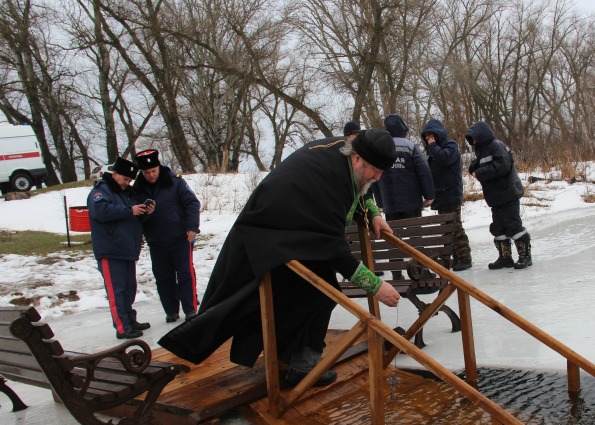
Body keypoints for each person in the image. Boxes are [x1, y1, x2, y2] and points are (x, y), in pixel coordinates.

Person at [159, 129, 402, 387]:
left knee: (312, 294)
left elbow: (360, 188)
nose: (378, 176)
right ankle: (300, 364)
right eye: (375, 169)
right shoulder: (328, 179)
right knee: (296, 294)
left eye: (381, 171)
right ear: (356, 159)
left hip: (295, 232)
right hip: (268, 235)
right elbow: (334, 248)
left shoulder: (345, 154)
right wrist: (375, 287)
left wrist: (373, 213)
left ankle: (294, 360)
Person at [87, 156, 154, 339]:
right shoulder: (101, 191)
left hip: (126, 249)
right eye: (125, 179)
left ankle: (130, 320)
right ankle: (122, 328)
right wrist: (130, 210)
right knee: (117, 292)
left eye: (129, 180)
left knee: (129, 288)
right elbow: (100, 211)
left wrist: (144, 212)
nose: (127, 183)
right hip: (110, 250)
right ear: (115, 174)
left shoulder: (126, 193)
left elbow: (132, 218)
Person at [133, 149, 201, 324]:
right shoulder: (138, 189)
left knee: (185, 273)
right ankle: (171, 310)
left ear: (158, 167)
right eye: (147, 172)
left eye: (153, 171)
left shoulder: (175, 182)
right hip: (156, 241)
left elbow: (192, 203)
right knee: (163, 277)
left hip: (180, 237)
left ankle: (190, 308)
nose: (151, 175)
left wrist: (192, 227)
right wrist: (146, 214)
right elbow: (135, 216)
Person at [372, 114, 435, 280]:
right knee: (415, 237)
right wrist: (429, 195)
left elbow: (373, 177)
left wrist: (380, 201)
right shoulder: (410, 147)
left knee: (393, 239)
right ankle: (421, 270)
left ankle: (396, 273)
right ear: (403, 129)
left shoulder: (380, 149)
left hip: (390, 203)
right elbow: (424, 172)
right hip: (412, 202)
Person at [465, 121, 532, 269]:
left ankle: (525, 256)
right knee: (498, 228)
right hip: (496, 197)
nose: (473, 142)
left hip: (508, 193)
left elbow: (502, 165)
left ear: (481, 136)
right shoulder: (482, 151)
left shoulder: (496, 146)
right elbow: (479, 164)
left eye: (474, 138)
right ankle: (505, 257)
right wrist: (473, 168)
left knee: (513, 225)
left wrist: (480, 172)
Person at [422, 119, 472, 271]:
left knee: (455, 227)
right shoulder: (432, 154)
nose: (429, 139)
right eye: (427, 136)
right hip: (441, 197)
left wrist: (432, 145)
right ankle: (456, 257)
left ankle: (464, 257)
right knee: (447, 229)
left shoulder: (450, 146)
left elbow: (444, 159)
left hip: (451, 194)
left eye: (431, 135)